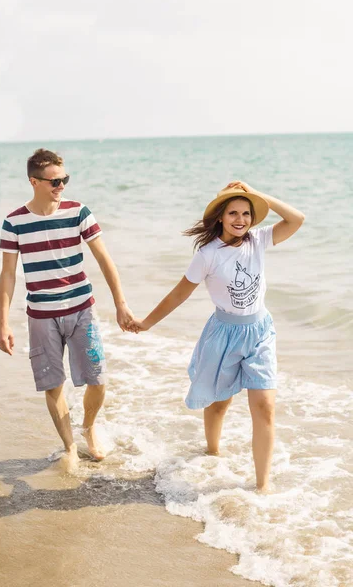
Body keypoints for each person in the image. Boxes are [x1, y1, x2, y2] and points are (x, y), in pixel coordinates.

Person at [128, 181, 305, 492]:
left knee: (264, 405)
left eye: (247, 213)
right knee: (220, 403)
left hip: (260, 331)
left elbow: (296, 219)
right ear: (220, 217)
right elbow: (178, 295)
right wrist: (146, 323)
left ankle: (263, 485)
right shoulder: (208, 254)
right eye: (233, 213)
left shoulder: (259, 240)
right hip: (224, 334)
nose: (240, 219)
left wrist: (258, 195)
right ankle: (212, 452)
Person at [0, 148, 133, 469]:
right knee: (52, 384)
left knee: (98, 380)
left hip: (81, 310)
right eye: (55, 182)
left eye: (65, 180)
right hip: (41, 317)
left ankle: (88, 428)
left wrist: (121, 304)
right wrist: (3, 323)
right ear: (34, 182)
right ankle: (69, 446)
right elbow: (7, 275)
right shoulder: (14, 222)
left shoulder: (78, 211)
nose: (61, 187)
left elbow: (104, 259)